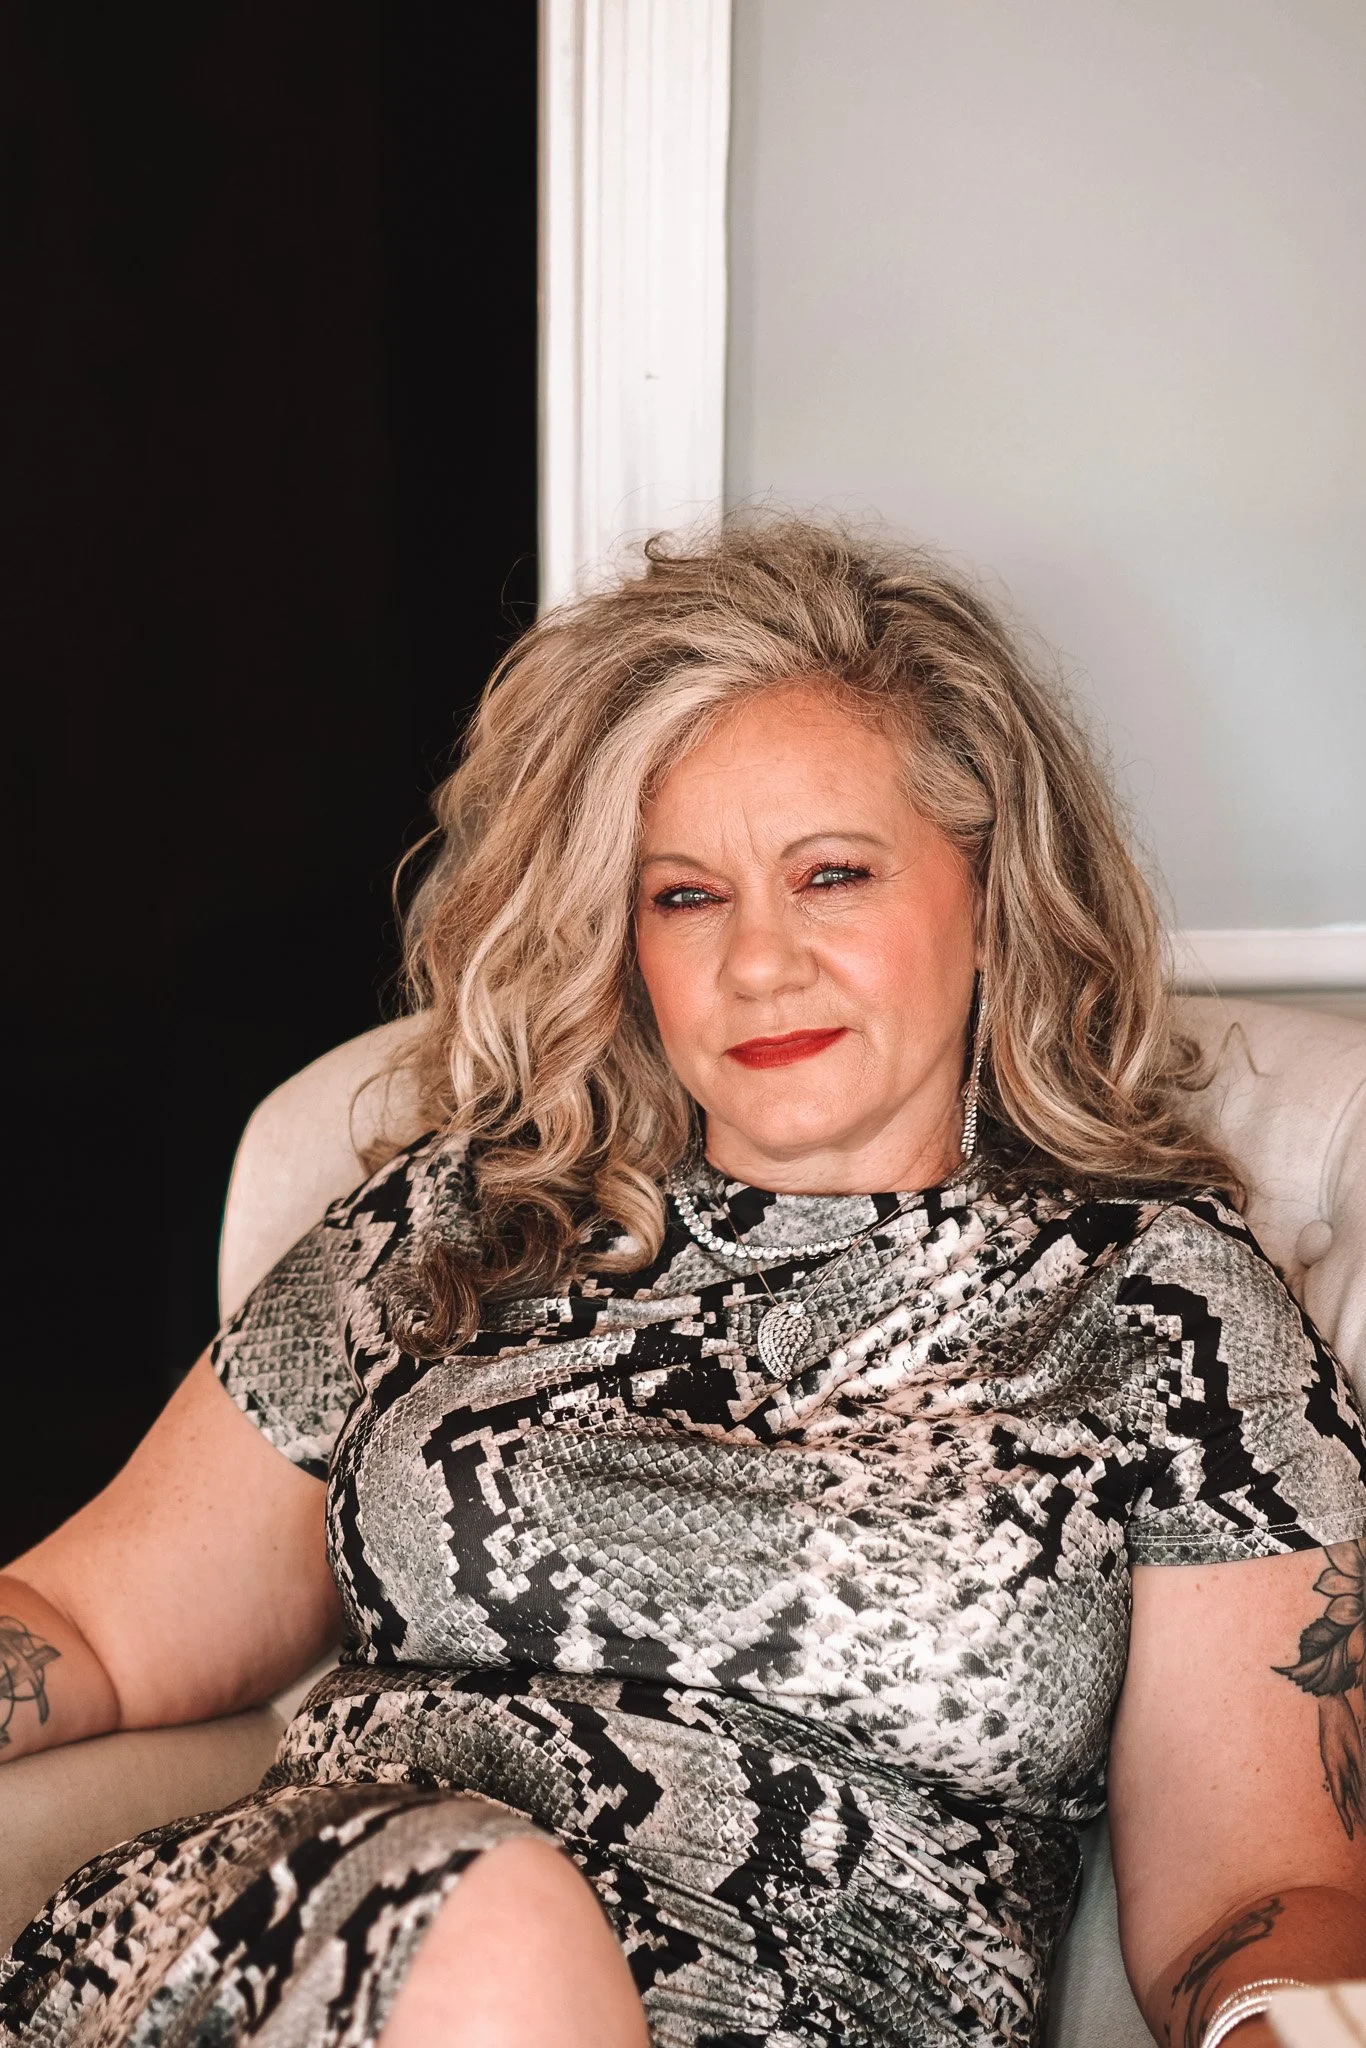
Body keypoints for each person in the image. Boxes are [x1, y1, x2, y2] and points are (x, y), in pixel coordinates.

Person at [1, 520, 1363, 2048]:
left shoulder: (1158, 1310)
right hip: (302, 1971)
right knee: (488, 1914)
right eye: (685, 897)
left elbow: (1259, 1892)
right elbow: (93, 1626)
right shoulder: (461, 1223)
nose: (758, 963)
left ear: (988, 897)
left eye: (830, 876)